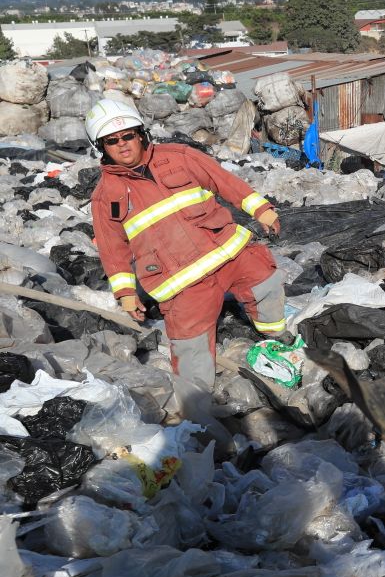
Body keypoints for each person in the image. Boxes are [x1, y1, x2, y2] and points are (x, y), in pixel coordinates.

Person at [85, 99, 290, 390]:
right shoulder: (105, 195)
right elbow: (112, 248)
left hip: (228, 252)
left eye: (128, 135)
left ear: (141, 134)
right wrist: (127, 294)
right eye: (112, 140)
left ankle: (276, 341)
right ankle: (197, 423)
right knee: (191, 353)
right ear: (101, 147)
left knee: (266, 282)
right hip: (181, 282)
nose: (122, 144)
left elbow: (223, 180)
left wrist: (261, 209)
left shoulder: (179, 156)